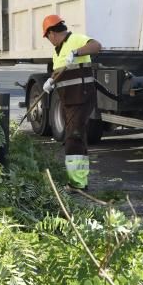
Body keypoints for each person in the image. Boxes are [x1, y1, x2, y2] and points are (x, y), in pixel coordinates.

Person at [42, 14, 102, 191]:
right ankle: (78, 180)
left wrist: (76, 52)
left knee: (73, 137)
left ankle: (77, 183)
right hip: (69, 100)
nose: (48, 40)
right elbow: (58, 72)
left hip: (82, 97)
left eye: (47, 37)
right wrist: (50, 81)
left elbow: (96, 46)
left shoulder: (75, 39)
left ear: (52, 33)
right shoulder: (57, 51)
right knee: (74, 137)